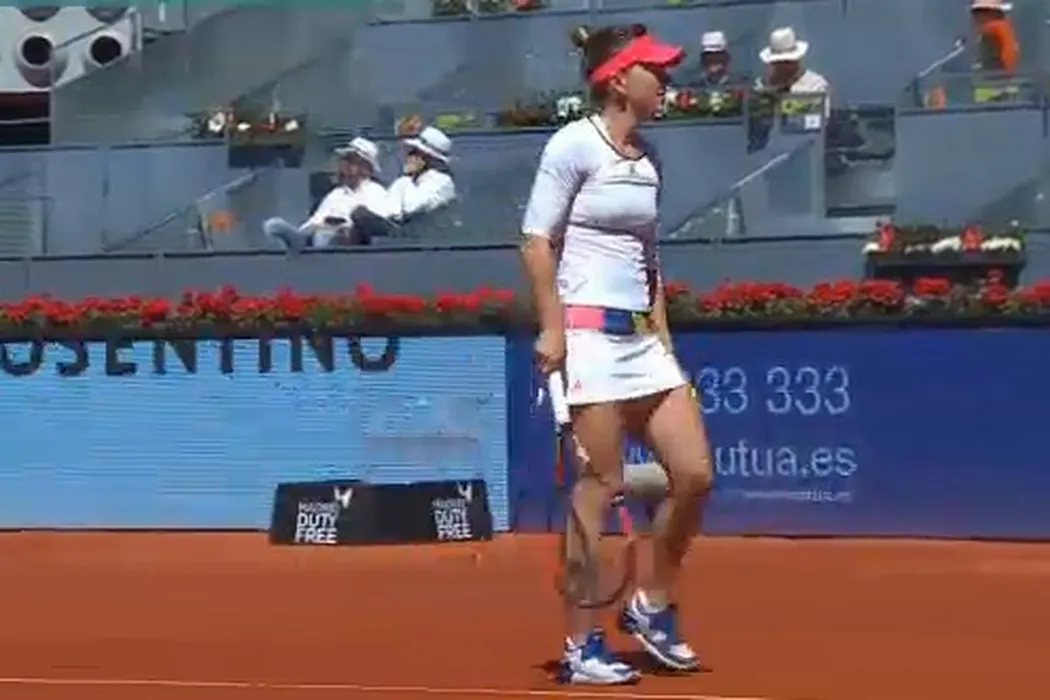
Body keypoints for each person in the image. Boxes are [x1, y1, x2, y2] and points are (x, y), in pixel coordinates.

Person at [519, 22, 714, 685]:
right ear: (617, 81)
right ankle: (580, 645)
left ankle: (650, 605)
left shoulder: (649, 159)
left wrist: (667, 348)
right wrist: (552, 329)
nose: (667, 81)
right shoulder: (572, 144)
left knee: (694, 475)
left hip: (643, 343)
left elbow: (648, 262)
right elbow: (535, 241)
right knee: (598, 489)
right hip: (589, 341)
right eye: (655, 70)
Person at [265, 137, 390, 251]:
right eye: (343, 160)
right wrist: (318, 227)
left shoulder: (376, 192)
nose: (343, 166)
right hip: (321, 239)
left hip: (351, 249)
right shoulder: (336, 194)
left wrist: (344, 228)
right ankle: (296, 241)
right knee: (274, 225)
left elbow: (377, 228)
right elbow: (314, 222)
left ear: (366, 168)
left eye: (350, 161)